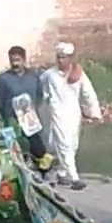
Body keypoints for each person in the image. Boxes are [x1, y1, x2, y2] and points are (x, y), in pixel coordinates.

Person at [41, 41, 102, 190]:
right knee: (64, 145)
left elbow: (88, 93)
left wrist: (94, 112)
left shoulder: (78, 74)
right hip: (57, 114)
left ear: (71, 58)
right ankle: (74, 178)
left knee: (72, 145)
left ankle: (62, 173)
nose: (61, 60)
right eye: (59, 57)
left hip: (74, 114)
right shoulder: (49, 75)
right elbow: (39, 88)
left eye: (64, 57)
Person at [0, 45, 54, 171]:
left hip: (31, 119)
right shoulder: (4, 79)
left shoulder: (33, 77)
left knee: (37, 148)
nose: (15, 64)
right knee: (16, 149)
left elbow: (39, 95)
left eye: (18, 60)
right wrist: (8, 116)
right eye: (12, 61)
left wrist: (33, 111)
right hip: (13, 120)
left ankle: (40, 173)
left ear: (24, 60)